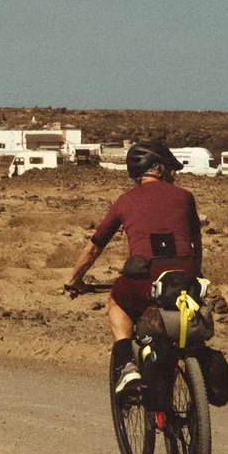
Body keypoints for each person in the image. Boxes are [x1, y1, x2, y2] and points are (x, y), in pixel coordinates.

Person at [64, 141, 204, 401]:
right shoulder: (186, 197)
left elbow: (94, 248)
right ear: (159, 169)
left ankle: (127, 365)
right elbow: (197, 243)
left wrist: (75, 280)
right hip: (184, 280)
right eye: (171, 170)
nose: (174, 175)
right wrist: (194, 276)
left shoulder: (124, 201)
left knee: (117, 300)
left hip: (144, 281)